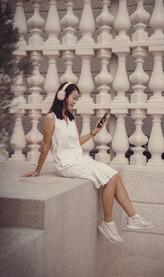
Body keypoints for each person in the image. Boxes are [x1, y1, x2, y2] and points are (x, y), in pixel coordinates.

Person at [22, 82, 155, 244]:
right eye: (73, 98)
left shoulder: (70, 117)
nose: (74, 102)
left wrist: (94, 132)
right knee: (111, 177)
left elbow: (76, 142)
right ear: (62, 95)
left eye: (76, 99)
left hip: (79, 160)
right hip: (66, 165)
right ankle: (108, 222)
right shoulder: (50, 118)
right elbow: (46, 146)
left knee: (114, 175)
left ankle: (132, 217)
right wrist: (37, 170)